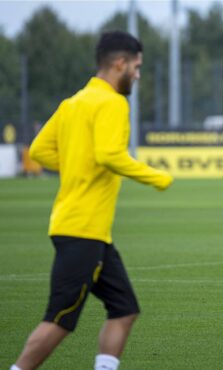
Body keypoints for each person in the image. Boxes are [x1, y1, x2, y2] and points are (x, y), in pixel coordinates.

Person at [10, 31, 173, 370]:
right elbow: (109, 154)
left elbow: (39, 151)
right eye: (137, 67)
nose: (138, 75)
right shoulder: (113, 102)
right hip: (83, 230)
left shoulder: (73, 103)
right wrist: (156, 177)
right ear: (120, 64)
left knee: (124, 309)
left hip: (86, 230)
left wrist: (75, 164)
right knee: (60, 318)